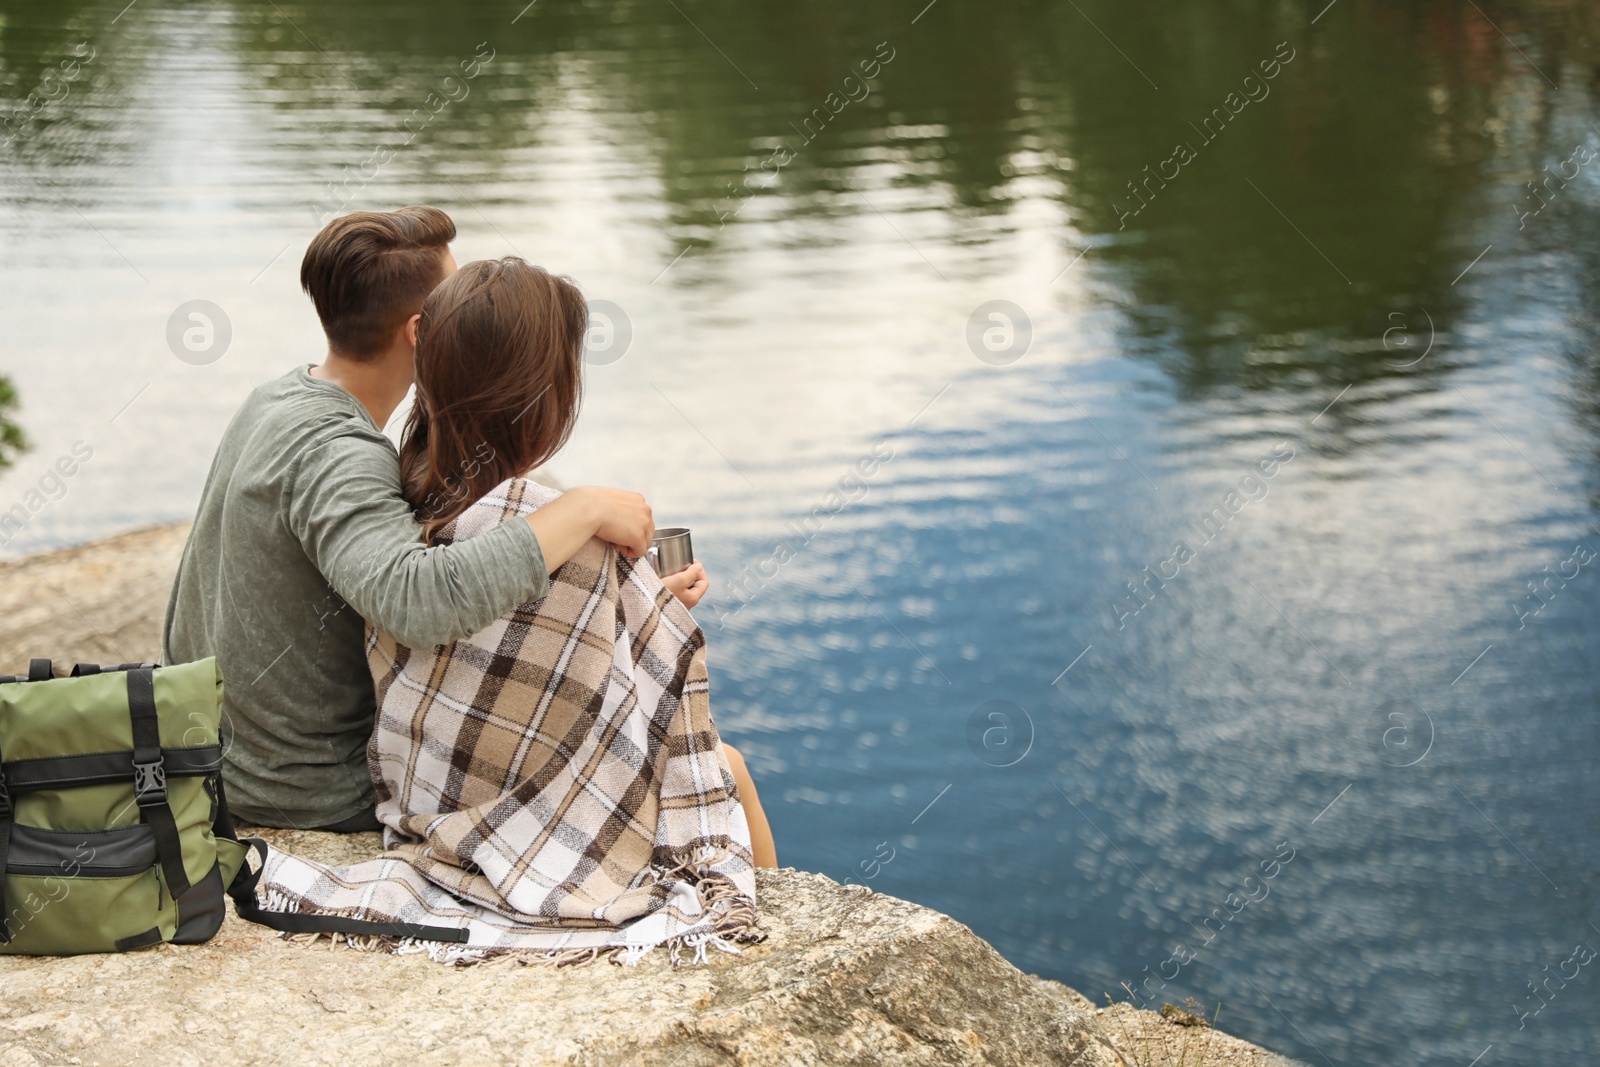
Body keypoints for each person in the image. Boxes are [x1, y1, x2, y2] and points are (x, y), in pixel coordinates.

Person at [163, 207, 654, 831]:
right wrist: (581, 507)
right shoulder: (338, 454)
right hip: (304, 790)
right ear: (424, 331)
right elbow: (419, 603)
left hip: (221, 757)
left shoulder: (278, 398)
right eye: (455, 300)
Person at [373, 255, 777, 868]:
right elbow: (625, 709)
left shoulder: (405, 490)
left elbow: (515, 647)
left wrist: (638, 599)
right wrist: (647, 612)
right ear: (545, 397)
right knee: (730, 769)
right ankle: (765, 933)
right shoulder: (554, 525)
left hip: (424, 789)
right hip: (526, 808)